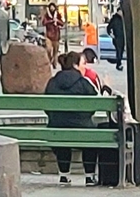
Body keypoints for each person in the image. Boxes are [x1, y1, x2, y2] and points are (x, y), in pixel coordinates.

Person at [43, 49, 106, 182]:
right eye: (83, 63)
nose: (85, 67)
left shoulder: (52, 82)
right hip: (82, 128)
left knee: (61, 132)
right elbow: (96, 104)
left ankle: (64, 175)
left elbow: (46, 107)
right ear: (76, 66)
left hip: (56, 128)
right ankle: (89, 176)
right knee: (91, 135)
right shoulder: (84, 82)